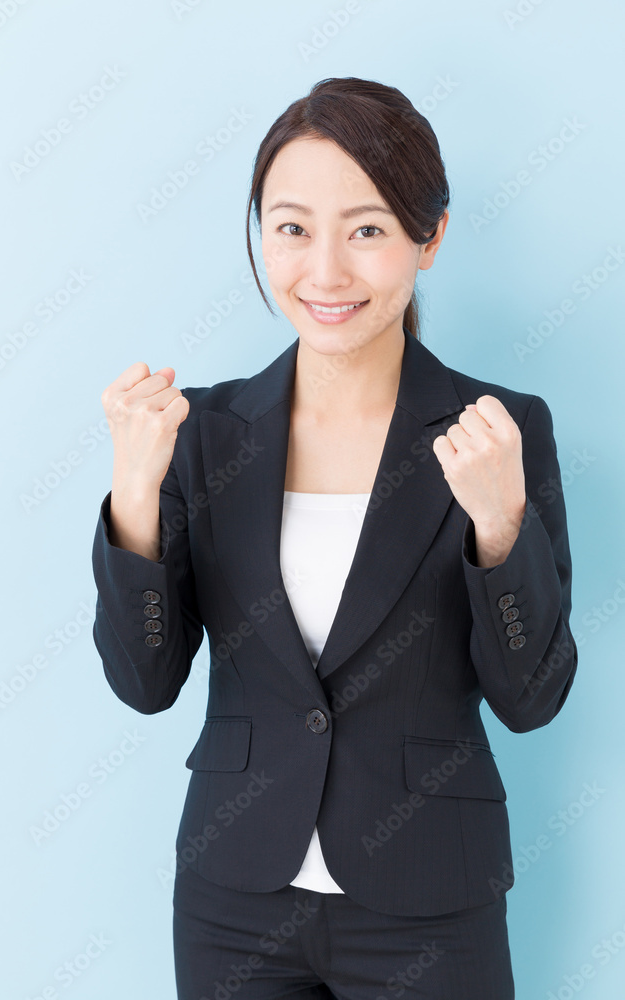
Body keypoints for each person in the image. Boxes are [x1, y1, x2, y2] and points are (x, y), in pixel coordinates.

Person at [91, 77, 578, 999]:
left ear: (427, 238)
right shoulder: (199, 433)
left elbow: (533, 699)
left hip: (431, 898)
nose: (323, 273)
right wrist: (133, 493)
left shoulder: (502, 429)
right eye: (290, 228)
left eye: (365, 229)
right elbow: (143, 683)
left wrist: (498, 525)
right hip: (232, 901)